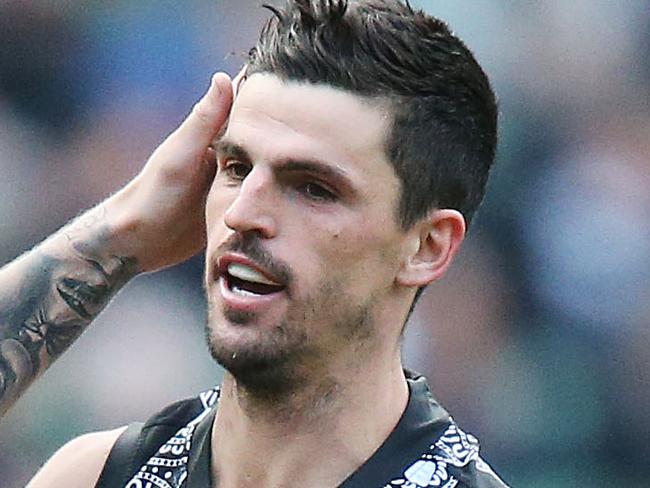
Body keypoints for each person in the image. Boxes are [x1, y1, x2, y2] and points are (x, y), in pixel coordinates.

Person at [1, 0, 507, 486]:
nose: (243, 213)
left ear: (427, 247)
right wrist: (119, 232)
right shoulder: (101, 476)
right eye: (236, 168)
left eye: (314, 187)